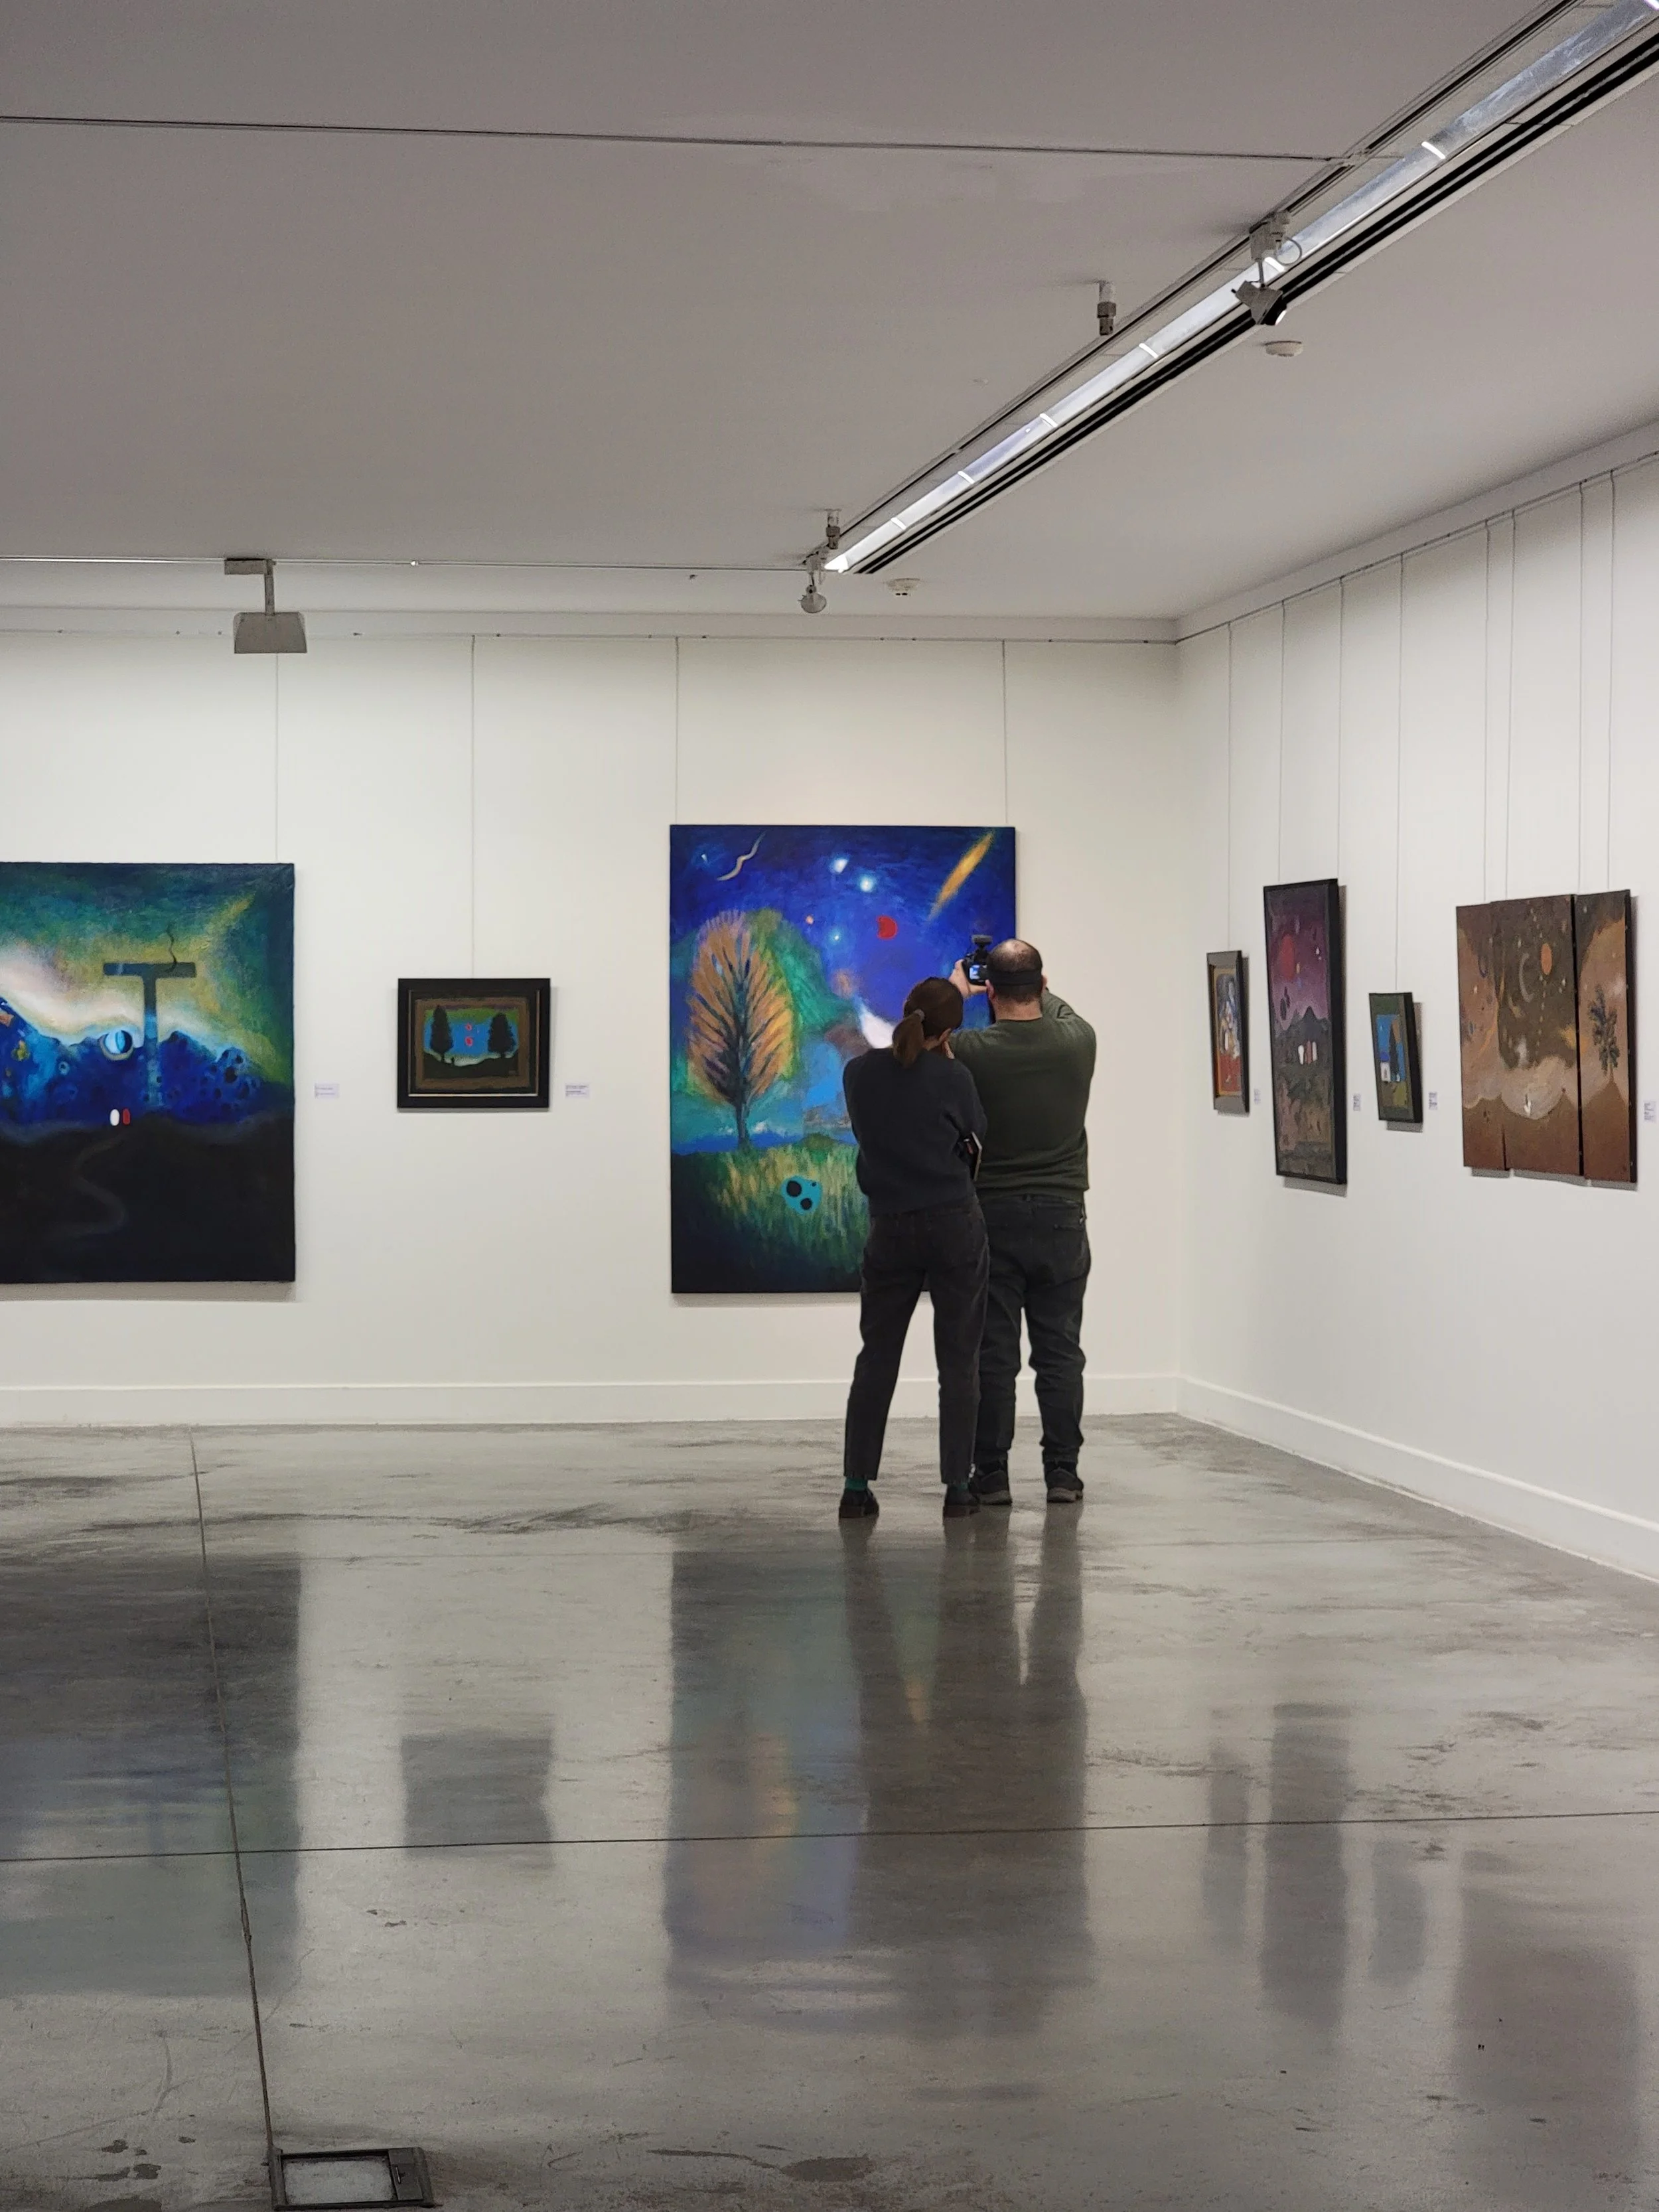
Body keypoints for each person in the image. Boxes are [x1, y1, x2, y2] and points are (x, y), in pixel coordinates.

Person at [949, 939, 1096, 1506]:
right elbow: (1055, 1005)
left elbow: (928, 1037)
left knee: (995, 1353)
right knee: (1060, 1351)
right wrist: (1028, 983)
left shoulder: (972, 1050)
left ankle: (991, 1474)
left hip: (992, 1214)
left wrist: (958, 990)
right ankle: (1063, 1472)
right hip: (1062, 1216)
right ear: (1042, 984)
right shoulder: (1078, 1041)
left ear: (989, 991)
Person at [840, 976, 989, 1524]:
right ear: (947, 1033)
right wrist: (946, 1058)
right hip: (953, 1224)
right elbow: (976, 1135)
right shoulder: (955, 1077)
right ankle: (958, 1489)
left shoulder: (858, 1073)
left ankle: (856, 1487)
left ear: (904, 1011)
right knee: (959, 1360)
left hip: (890, 1226)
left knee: (876, 1358)